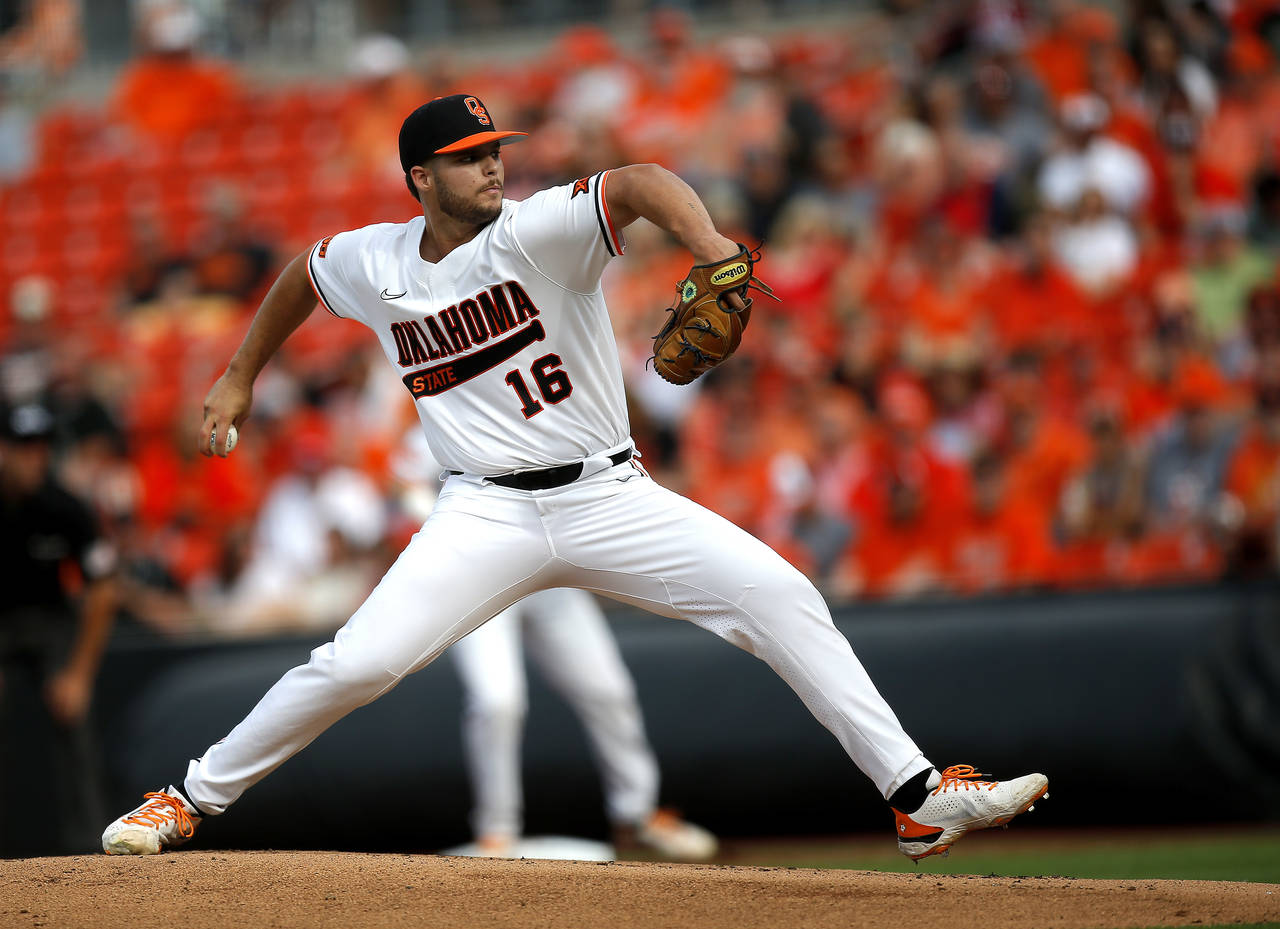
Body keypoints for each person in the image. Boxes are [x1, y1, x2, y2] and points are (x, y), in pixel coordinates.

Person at [101, 94, 1047, 861]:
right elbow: (303, 276)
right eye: (470, 156)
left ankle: (919, 797)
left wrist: (711, 246)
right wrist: (237, 374)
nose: (492, 166)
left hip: (607, 495)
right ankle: (185, 799)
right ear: (420, 178)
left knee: (781, 593)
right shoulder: (376, 259)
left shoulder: (536, 232)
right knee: (359, 662)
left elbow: (636, 180)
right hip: (483, 511)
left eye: (494, 149)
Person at [392, 431, 716, 861]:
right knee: (497, 701)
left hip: (549, 570)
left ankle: (637, 816)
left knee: (607, 689)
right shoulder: (450, 403)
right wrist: (441, 517)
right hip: (478, 570)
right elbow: (403, 483)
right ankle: (497, 833)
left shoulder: (542, 398)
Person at [1, 402, 117, 855]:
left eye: (41, 448)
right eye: (24, 448)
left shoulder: (64, 506)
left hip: (49, 621)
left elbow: (104, 589)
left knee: (74, 717)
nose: (35, 458)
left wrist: (79, 675)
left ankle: (89, 851)